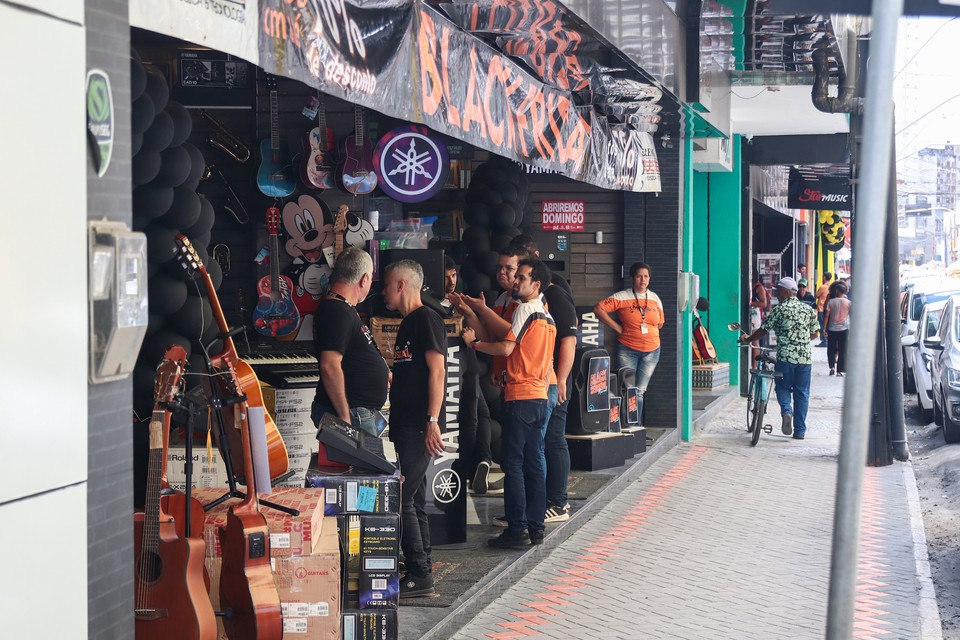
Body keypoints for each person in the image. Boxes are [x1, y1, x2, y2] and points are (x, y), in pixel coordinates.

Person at [462, 258, 556, 549]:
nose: (516, 281)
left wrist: (473, 344)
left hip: (521, 395)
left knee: (514, 465)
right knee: (535, 463)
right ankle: (536, 528)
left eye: (522, 278)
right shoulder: (546, 316)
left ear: (536, 284)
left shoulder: (525, 309)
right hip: (541, 396)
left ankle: (517, 529)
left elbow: (505, 346)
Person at [382, 260, 446, 599]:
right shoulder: (408, 323)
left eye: (387, 284)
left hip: (419, 427)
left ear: (402, 284)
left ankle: (420, 573)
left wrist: (432, 421)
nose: (382, 291)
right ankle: (421, 566)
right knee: (415, 499)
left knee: (403, 499)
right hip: (406, 425)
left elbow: (438, 371)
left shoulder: (427, 319)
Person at [507, 236, 578, 521]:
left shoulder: (552, 296)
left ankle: (557, 502)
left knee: (552, 441)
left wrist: (560, 380)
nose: (513, 277)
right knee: (538, 447)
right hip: (540, 382)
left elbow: (569, 340)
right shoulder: (526, 303)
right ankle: (532, 512)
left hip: (549, 382)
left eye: (517, 270)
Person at [311, 247, 389, 435]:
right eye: (370, 277)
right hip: (353, 414)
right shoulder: (338, 312)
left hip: (358, 412)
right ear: (364, 279)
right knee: (362, 465)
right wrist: (345, 419)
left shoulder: (341, 308)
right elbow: (329, 365)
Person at [739, 277, 820, 440]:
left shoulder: (780, 309)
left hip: (786, 357)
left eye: (779, 291)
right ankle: (799, 431)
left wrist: (748, 339)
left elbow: (763, 330)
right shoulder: (808, 310)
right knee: (802, 393)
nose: (778, 295)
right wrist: (800, 340)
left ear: (787, 292)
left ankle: (787, 412)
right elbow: (815, 333)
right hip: (804, 359)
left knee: (782, 388)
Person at [594, 262, 664, 425]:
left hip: (652, 351)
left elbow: (660, 323)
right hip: (628, 349)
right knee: (629, 389)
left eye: (646, 276)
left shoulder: (654, 298)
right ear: (632, 278)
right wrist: (617, 327)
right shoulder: (622, 296)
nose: (643, 280)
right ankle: (628, 427)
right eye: (639, 276)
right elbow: (598, 309)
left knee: (640, 391)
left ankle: (635, 428)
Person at [508, 234, 574, 297]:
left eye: (524, 256)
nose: (522, 262)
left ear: (536, 254)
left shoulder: (558, 284)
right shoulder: (508, 280)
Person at [823, 281, 851, 377]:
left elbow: (826, 316)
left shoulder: (831, 301)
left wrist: (824, 329)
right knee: (842, 350)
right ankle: (839, 371)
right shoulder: (848, 302)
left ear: (836, 291)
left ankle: (832, 367)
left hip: (832, 329)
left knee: (831, 349)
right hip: (844, 329)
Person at [815, 272, 833, 347]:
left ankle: (824, 341)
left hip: (821, 308)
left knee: (821, 325)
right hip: (829, 309)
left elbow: (816, 295)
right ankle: (827, 340)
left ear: (824, 277)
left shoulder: (823, 287)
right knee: (827, 326)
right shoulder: (832, 287)